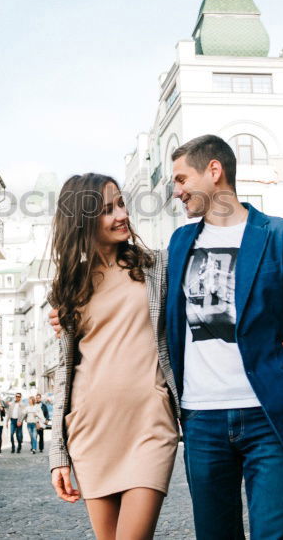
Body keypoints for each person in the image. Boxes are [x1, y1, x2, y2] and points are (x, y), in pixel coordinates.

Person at [49, 135, 283, 539]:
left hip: (269, 413)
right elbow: (106, 332)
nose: (175, 192)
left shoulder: (282, 237)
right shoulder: (177, 247)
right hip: (200, 420)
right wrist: (64, 316)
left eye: (180, 180)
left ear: (214, 172)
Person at [48, 173, 179, 540]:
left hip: (150, 425)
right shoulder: (69, 287)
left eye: (120, 203)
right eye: (107, 210)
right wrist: (58, 455)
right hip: (92, 429)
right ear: (84, 220)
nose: (121, 214)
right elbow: (64, 373)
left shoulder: (157, 268)